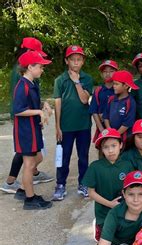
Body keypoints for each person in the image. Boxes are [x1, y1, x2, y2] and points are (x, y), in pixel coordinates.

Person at [1, 37, 53, 197]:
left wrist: (42, 104)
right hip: (25, 120)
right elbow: (20, 105)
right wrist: (38, 112)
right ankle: (16, 183)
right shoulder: (23, 77)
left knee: (32, 155)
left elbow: (32, 97)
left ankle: (27, 178)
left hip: (30, 119)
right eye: (37, 54)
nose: (41, 59)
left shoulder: (29, 74)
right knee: (26, 155)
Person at [13, 50, 53, 210]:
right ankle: (30, 199)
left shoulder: (31, 84)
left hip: (33, 129)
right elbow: (18, 110)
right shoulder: (22, 86)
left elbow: (34, 102)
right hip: (25, 131)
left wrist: (44, 105)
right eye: (40, 67)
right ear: (30, 67)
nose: (42, 70)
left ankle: (23, 189)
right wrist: (38, 112)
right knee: (29, 165)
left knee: (38, 157)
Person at [53, 45, 94, 200]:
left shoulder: (87, 79)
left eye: (79, 59)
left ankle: (83, 183)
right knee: (64, 156)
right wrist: (57, 126)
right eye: (72, 59)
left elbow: (85, 99)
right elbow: (57, 104)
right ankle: (60, 184)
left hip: (83, 125)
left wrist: (77, 82)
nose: (76, 63)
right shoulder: (60, 80)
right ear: (67, 61)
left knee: (83, 156)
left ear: (83, 61)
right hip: (66, 126)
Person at [82, 128, 134, 241]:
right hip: (104, 213)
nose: (110, 150)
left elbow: (132, 189)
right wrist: (109, 204)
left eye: (113, 145)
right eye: (106, 147)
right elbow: (91, 193)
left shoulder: (127, 165)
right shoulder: (95, 167)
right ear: (101, 149)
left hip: (124, 210)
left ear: (120, 145)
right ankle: (98, 225)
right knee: (107, 242)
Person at [103, 70, 137, 142]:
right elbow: (105, 116)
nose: (113, 86)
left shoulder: (130, 102)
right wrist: (110, 131)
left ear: (126, 86)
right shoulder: (111, 99)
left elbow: (127, 123)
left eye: (116, 84)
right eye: (113, 84)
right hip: (111, 135)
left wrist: (116, 135)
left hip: (124, 138)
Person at [89, 60, 118, 143]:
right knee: (103, 150)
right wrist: (101, 130)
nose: (108, 74)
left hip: (118, 127)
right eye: (105, 71)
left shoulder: (120, 89)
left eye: (111, 71)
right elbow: (94, 111)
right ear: (101, 74)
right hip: (103, 127)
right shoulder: (98, 90)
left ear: (116, 72)